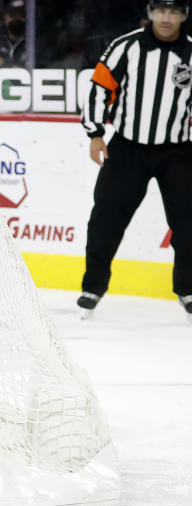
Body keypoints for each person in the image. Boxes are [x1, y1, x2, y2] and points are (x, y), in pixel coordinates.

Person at [79, 0, 192, 317]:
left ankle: (187, 288)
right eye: (161, 11)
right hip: (128, 147)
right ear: (150, 13)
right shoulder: (125, 46)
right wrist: (95, 133)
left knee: (188, 225)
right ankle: (93, 286)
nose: (167, 19)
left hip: (178, 151)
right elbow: (99, 87)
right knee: (106, 219)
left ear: (184, 16)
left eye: (174, 12)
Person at [0, 6, 27, 70]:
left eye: (21, 16)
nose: (16, 20)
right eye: (12, 16)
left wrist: (5, 64)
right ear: (5, 18)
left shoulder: (34, 46)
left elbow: (41, 66)